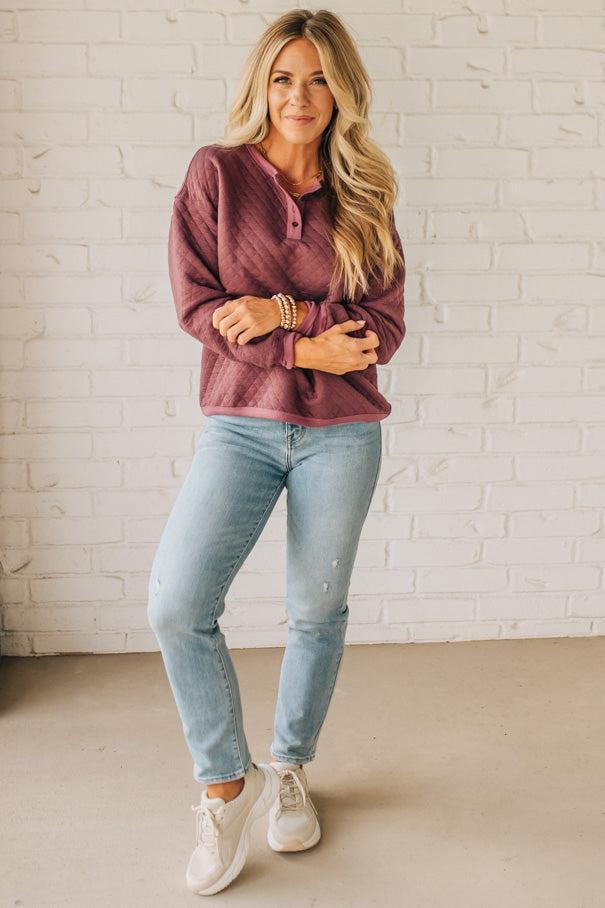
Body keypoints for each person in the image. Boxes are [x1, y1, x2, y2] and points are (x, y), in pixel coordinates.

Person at [147, 7, 406, 897]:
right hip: (241, 425)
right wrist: (301, 350)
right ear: (261, 84)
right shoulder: (215, 176)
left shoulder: (366, 189)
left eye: (319, 78)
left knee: (314, 612)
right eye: (284, 77)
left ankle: (289, 766)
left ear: (344, 90)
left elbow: (382, 330)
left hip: (343, 434)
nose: (300, 95)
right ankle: (226, 783)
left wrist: (289, 314)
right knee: (178, 604)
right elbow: (200, 312)